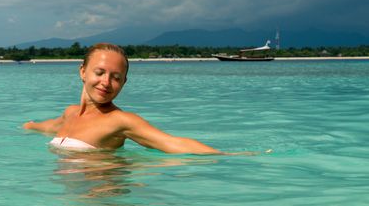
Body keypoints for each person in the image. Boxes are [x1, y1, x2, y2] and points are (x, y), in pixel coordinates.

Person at [23, 43, 251, 155]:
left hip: (101, 201)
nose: (106, 82)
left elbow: (172, 142)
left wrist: (228, 155)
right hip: (68, 200)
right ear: (83, 72)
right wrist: (28, 125)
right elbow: (49, 127)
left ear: (123, 83)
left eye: (116, 77)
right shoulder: (70, 113)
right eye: (99, 72)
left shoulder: (120, 121)